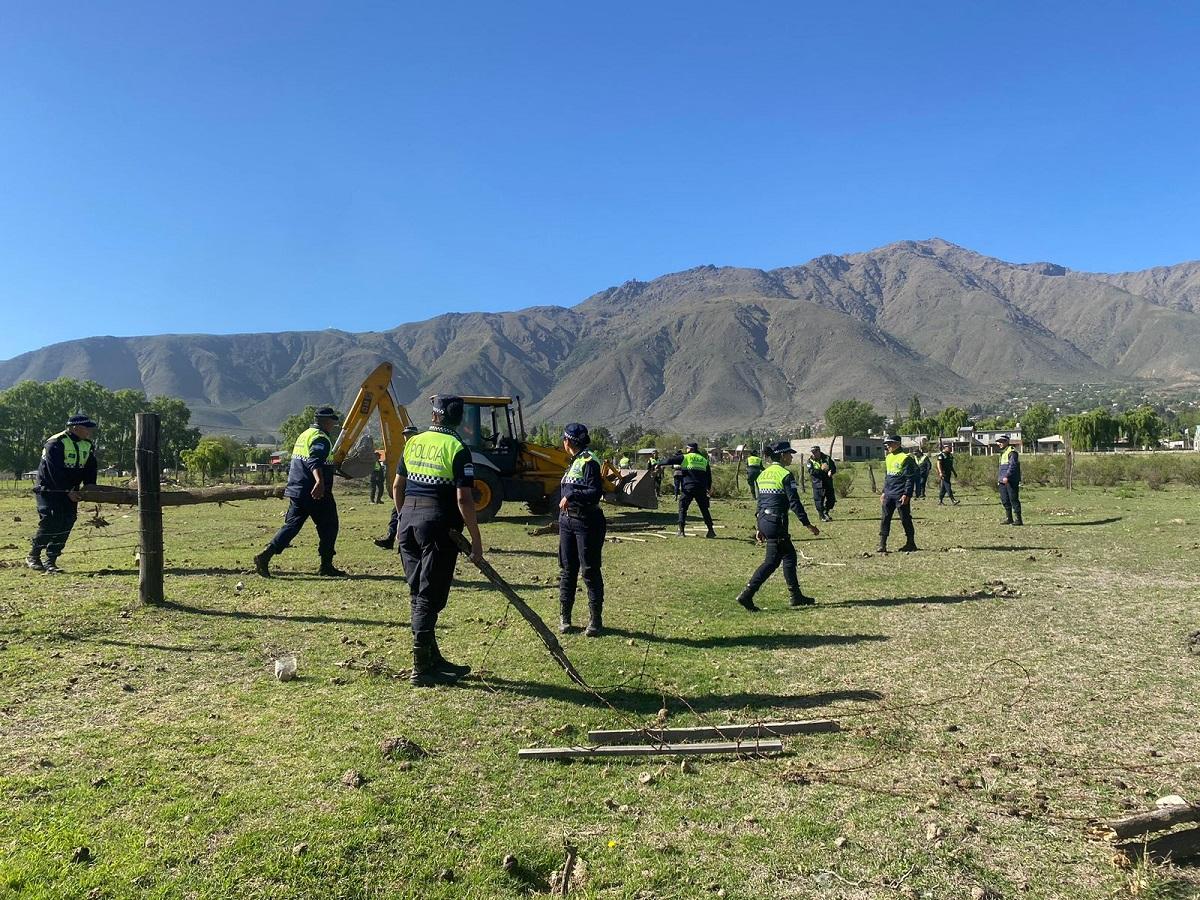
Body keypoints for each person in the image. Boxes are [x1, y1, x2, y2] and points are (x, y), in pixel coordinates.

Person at [394, 395, 484, 687]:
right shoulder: (457, 448)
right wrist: (476, 540)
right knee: (429, 596)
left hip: (408, 522)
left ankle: (433, 658)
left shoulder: (414, 443)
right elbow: (464, 498)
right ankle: (420, 668)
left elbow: (397, 485)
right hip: (437, 527)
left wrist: (402, 517)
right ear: (458, 420)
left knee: (418, 590)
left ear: (434, 416)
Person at [254, 406, 346, 577]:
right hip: (315, 491)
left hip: (297, 489)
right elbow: (314, 461)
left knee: (292, 526)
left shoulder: (304, 435)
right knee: (329, 526)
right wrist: (319, 482)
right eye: (333, 422)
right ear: (326, 422)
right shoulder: (321, 438)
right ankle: (326, 566)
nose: (334, 425)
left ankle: (265, 555)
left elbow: (312, 461)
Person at [736, 441, 820, 611]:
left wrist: (759, 526)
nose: (791, 456)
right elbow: (794, 502)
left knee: (789, 556)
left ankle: (796, 595)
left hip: (764, 520)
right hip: (776, 522)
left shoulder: (763, 474)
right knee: (771, 562)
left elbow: (760, 502)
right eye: (789, 454)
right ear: (782, 455)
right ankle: (747, 595)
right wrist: (807, 524)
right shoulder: (785, 474)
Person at [27, 414, 99, 573]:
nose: (90, 431)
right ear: (76, 428)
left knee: (67, 521)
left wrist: (89, 487)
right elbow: (54, 471)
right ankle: (34, 555)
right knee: (51, 520)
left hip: (71, 491)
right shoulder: (55, 443)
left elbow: (90, 467)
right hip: (50, 490)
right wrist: (67, 491)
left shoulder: (87, 444)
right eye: (87, 428)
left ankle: (50, 560)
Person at [557, 423, 607, 636]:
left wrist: (572, 496)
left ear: (568, 441)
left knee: (589, 570)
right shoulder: (575, 461)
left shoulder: (589, 461)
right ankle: (565, 618)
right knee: (568, 569)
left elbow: (595, 492)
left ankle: (595, 621)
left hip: (586, 522)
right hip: (567, 522)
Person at [375, 425, 421, 550]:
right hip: (405, 490)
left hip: (414, 490)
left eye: (409, 434)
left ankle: (406, 542)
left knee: (407, 516)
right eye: (405, 435)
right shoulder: (406, 450)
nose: (407, 437)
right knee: (396, 513)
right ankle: (391, 538)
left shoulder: (417, 452)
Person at [659, 442, 715, 538]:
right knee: (704, 509)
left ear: (691, 449)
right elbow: (709, 477)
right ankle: (711, 530)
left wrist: (658, 463)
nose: (686, 450)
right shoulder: (704, 460)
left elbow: (669, 460)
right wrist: (708, 489)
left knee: (682, 508)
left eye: (687, 448)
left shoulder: (686, 457)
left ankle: (681, 531)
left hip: (688, 487)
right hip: (701, 488)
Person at [877, 435, 918, 554]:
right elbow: (887, 476)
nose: (888, 446)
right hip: (889, 493)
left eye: (891, 443)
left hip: (900, 494)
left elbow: (910, 478)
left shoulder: (906, 458)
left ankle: (911, 543)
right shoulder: (888, 457)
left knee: (905, 519)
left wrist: (907, 494)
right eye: (887, 444)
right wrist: (884, 492)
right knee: (885, 519)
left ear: (898, 444)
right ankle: (882, 544)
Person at [996, 434, 1023, 525]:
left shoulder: (1012, 452)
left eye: (1002, 441)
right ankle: (1009, 518)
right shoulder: (1003, 452)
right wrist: (1000, 479)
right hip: (1002, 481)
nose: (1000, 443)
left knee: (1013, 499)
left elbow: (1013, 466)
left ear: (1007, 442)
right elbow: (1001, 468)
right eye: (999, 441)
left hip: (1010, 480)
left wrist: (1007, 476)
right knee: (1005, 500)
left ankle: (1018, 519)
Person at [806, 445, 837, 522]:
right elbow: (811, 471)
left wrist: (831, 471)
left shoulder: (826, 458)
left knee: (831, 500)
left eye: (815, 452)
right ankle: (822, 516)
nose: (813, 454)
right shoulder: (810, 461)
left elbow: (833, 467)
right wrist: (822, 470)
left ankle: (826, 512)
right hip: (818, 484)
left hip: (828, 482)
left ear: (819, 451)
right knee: (819, 501)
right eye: (812, 452)